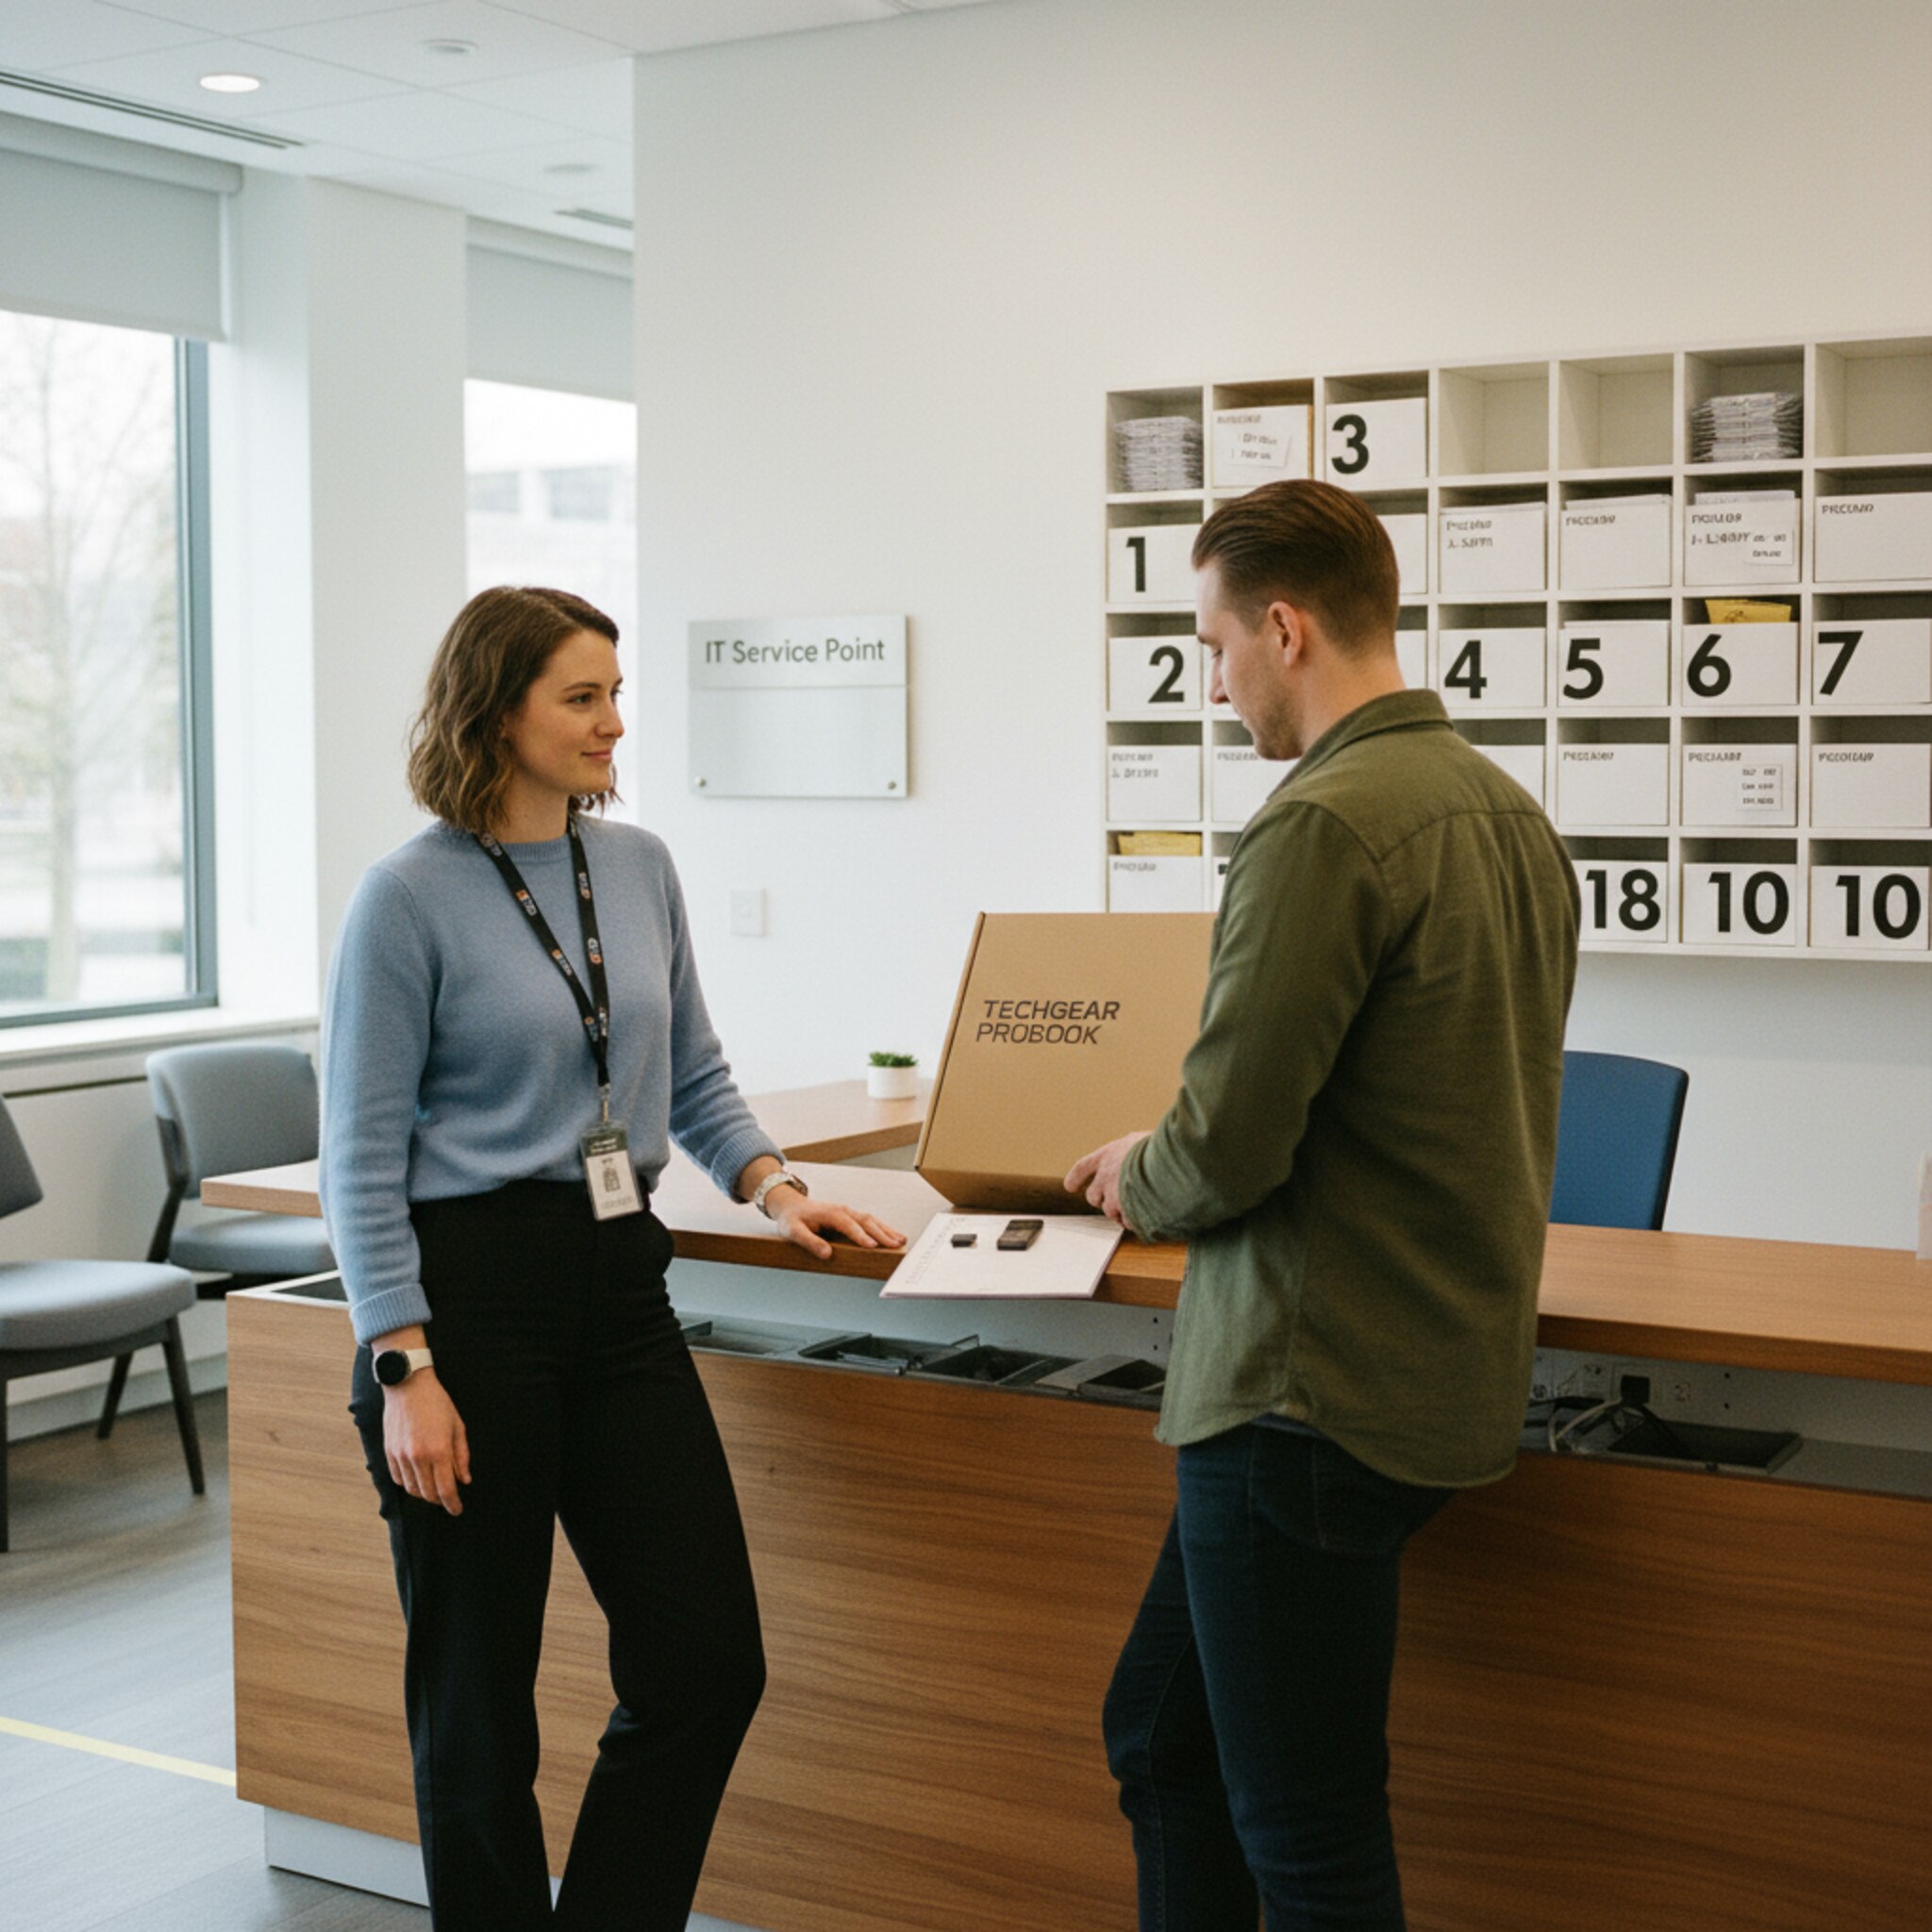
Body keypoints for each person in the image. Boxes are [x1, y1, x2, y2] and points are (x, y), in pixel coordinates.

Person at [319, 584, 905, 1931]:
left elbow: (689, 1065)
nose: (614, 722)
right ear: (497, 708)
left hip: (618, 1291)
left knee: (708, 1665)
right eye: (582, 697)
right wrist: (402, 1363)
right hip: (465, 1309)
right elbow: (354, 1151)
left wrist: (775, 1185)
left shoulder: (633, 864)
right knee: (478, 1708)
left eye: (615, 692)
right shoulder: (405, 897)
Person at [1066, 479, 1578, 1931]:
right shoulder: (1502, 809)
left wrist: (1138, 1170)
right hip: (1423, 1381)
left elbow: (1229, 1144)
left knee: (1308, 1837)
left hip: (1302, 1396)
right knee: (1165, 1744)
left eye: (1215, 647)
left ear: (1283, 628)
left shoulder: (1323, 824)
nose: (1216, 686)